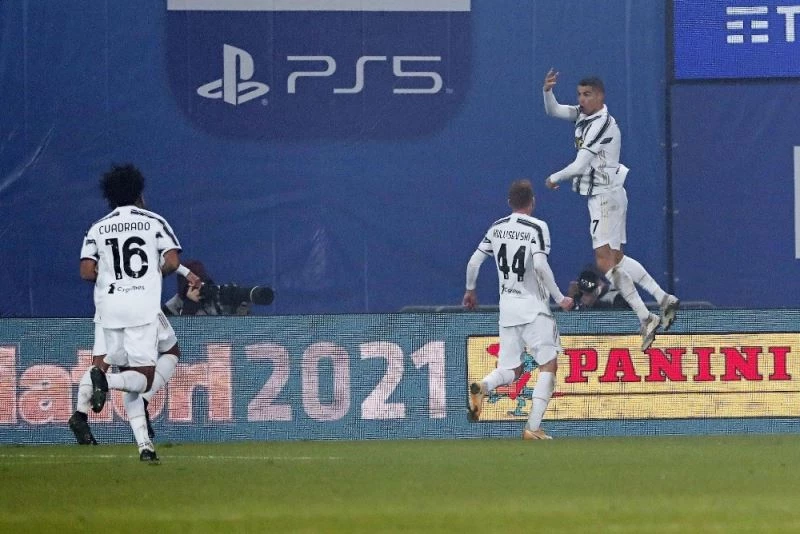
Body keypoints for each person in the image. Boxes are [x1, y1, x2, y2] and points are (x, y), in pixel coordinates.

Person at [542, 69, 679, 351]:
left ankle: (646, 315)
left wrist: (554, 178)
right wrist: (547, 91)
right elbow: (553, 110)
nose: (582, 99)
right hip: (607, 196)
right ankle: (662, 300)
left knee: (605, 262)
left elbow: (580, 165)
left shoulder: (601, 124)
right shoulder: (583, 115)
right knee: (616, 259)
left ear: (601, 97)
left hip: (605, 197)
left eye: (587, 94)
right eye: (579, 94)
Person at [78, 163, 183, 463]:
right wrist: (150, 275)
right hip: (140, 307)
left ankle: (145, 447)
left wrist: (113, 277)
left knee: (128, 373)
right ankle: (104, 381)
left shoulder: (97, 227)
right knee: (143, 379)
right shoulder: (153, 221)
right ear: (139, 192)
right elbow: (172, 262)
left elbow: (86, 271)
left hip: (110, 308)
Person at [462, 179, 573, 440]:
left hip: (508, 309)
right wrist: (559, 297)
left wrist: (470, 290)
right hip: (534, 308)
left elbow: (474, 262)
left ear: (509, 202)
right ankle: (533, 427)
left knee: (512, 369)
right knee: (548, 365)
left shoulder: (497, 227)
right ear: (532, 201)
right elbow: (541, 266)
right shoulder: (537, 227)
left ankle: (484, 386)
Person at [68, 262, 201, 445]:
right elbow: (166, 260)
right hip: (138, 302)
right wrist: (187, 273)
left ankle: (80, 414)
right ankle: (138, 401)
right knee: (170, 351)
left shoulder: (101, 244)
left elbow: (88, 272)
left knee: (100, 363)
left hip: (107, 305)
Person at [162, 260, 251, 316]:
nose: (196, 287)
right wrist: (190, 304)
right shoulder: (172, 307)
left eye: (198, 283)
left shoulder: (220, 294)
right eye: (190, 285)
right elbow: (174, 335)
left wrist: (240, 306)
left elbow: (244, 325)